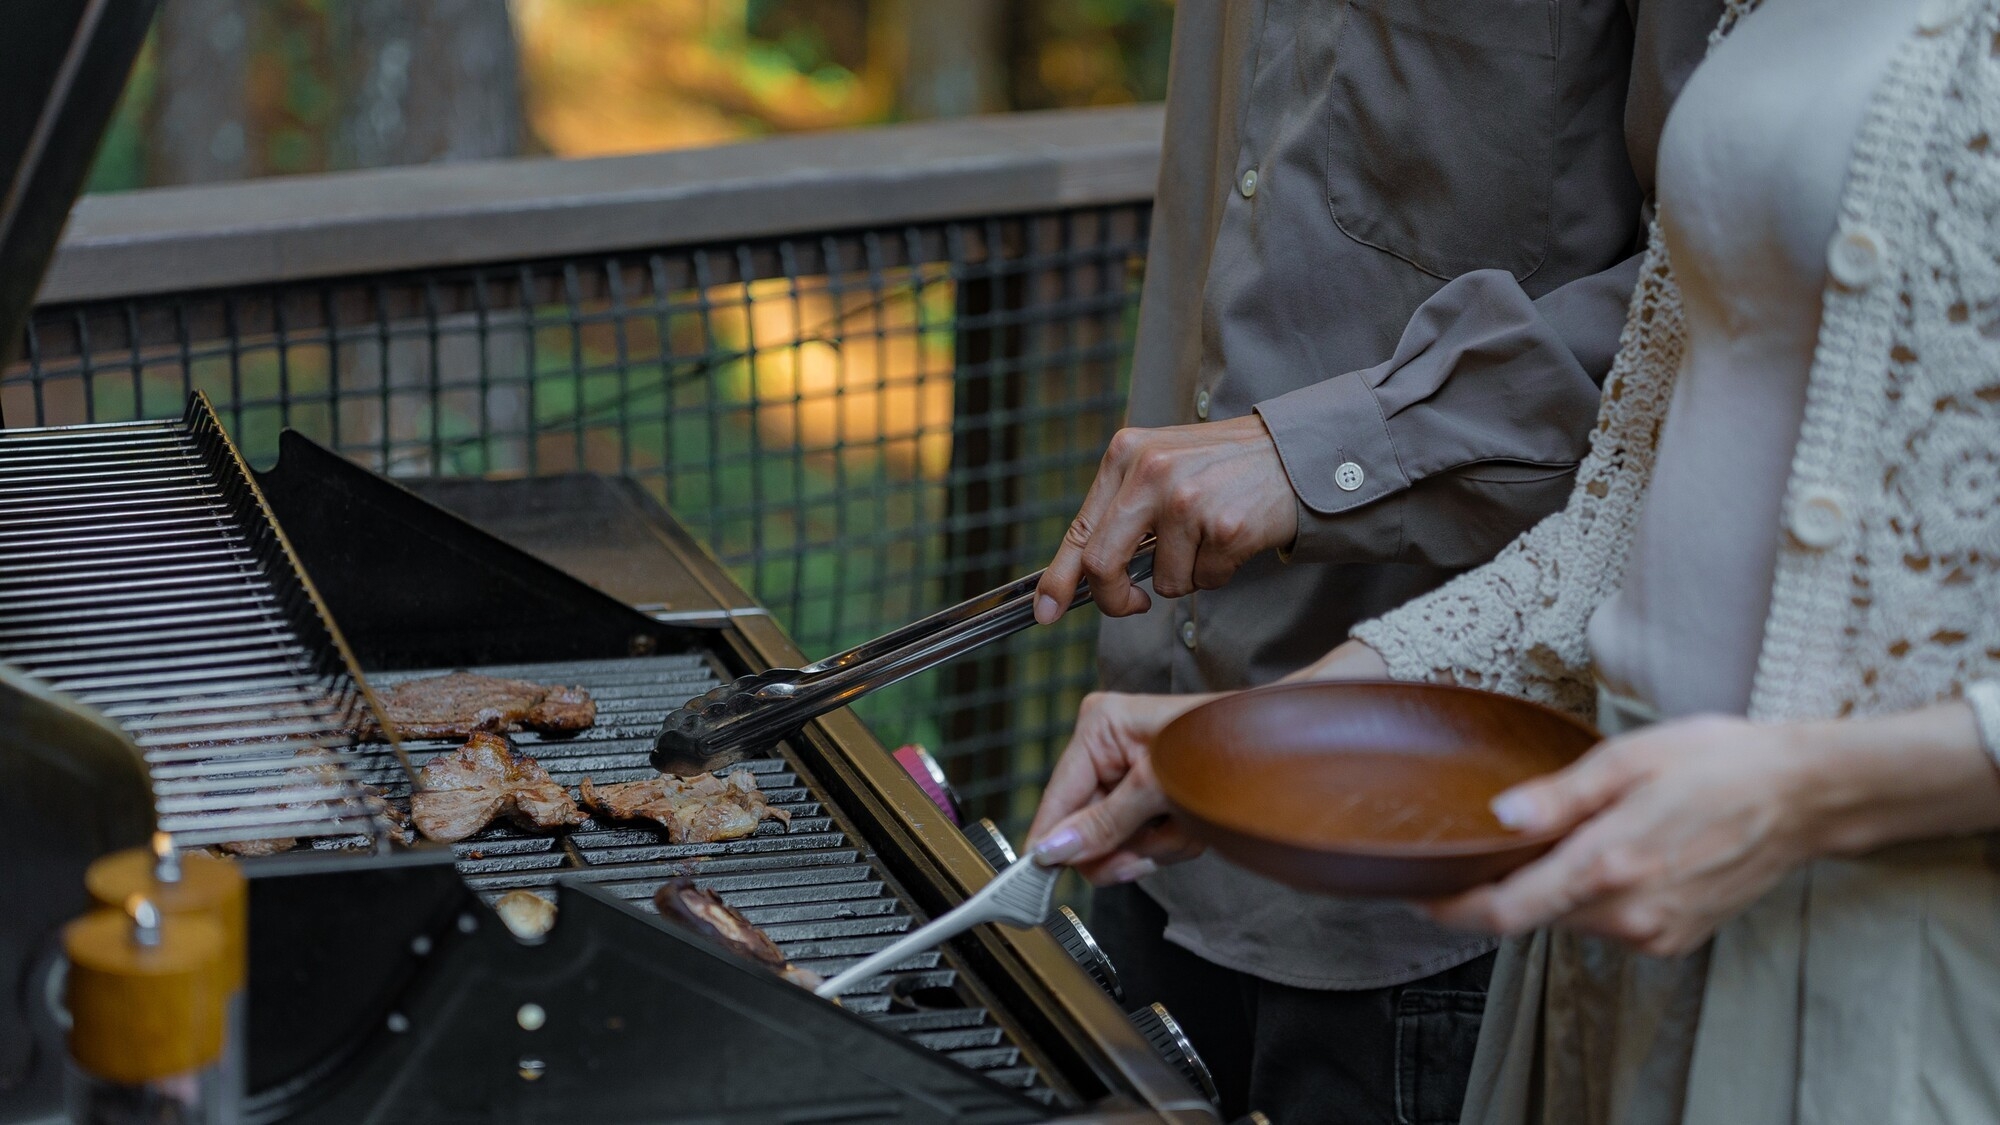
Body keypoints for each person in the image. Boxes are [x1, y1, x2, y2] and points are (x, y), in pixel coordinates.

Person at [1029, 0, 2000, 1120]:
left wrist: (1799, 795)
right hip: (1618, 947)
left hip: (1884, 968)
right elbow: (1618, 527)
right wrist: (1272, 732)